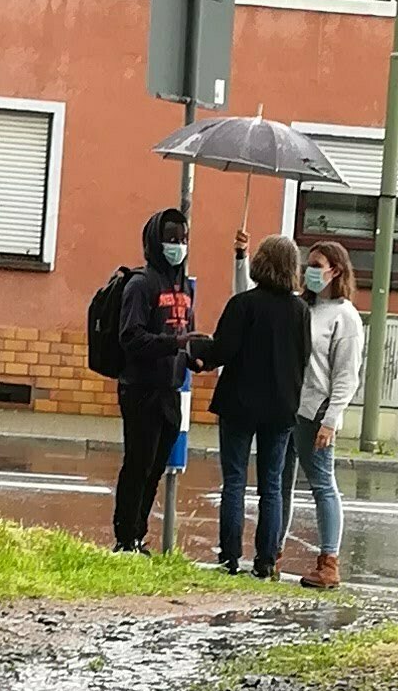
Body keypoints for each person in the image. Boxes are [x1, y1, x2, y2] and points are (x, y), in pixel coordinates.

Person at [194, 230, 308, 577]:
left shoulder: (243, 304)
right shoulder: (300, 311)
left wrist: (197, 352)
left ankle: (229, 557)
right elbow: (303, 357)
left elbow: (223, 350)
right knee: (272, 485)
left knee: (234, 480)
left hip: (239, 402)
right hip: (281, 406)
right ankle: (266, 560)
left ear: (261, 263)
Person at [111, 205, 198, 552]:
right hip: (141, 389)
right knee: (138, 465)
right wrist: (173, 344)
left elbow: (185, 334)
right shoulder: (141, 284)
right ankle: (124, 538)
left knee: (156, 468)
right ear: (155, 241)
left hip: (170, 390)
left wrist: (194, 356)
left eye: (183, 239)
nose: (178, 246)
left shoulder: (184, 287)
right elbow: (130, 337)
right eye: (171, 239)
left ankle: (138, 534)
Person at [290, 230, 365, 589]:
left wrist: (330, 420)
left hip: (315, 411)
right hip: (288, 405)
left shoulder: (345, 317)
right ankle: (271, 552)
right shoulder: (302, 307)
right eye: (308, 265)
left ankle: (329, 562)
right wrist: (241, 259)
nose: (309, 271)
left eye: (317, 265)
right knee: (281, 484)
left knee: (322, 485)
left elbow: (347, 375)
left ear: (336, 271)